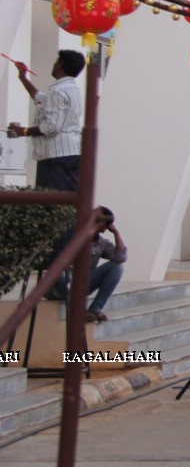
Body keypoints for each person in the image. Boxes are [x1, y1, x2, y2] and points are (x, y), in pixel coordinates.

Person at [7, 50, 85, 190]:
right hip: (70, 153)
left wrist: (23, 131)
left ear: (60, 64)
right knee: (65, 199)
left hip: (56, 156)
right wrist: (23, 77)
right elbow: (40, 99)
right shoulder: (73, 89)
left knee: (50, 200)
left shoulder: (58, 91)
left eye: (56, 61)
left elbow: (50, 127)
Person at [47, 206, 127, 322]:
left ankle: (95, 308)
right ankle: (80, 310)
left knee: (117, 267)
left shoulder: (100, 243)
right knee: (58, 274)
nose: (100, 228)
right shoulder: (71, 235)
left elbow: (121, 257)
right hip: (62, 284)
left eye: (102, 225)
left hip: (82, 284)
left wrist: (116, 232)